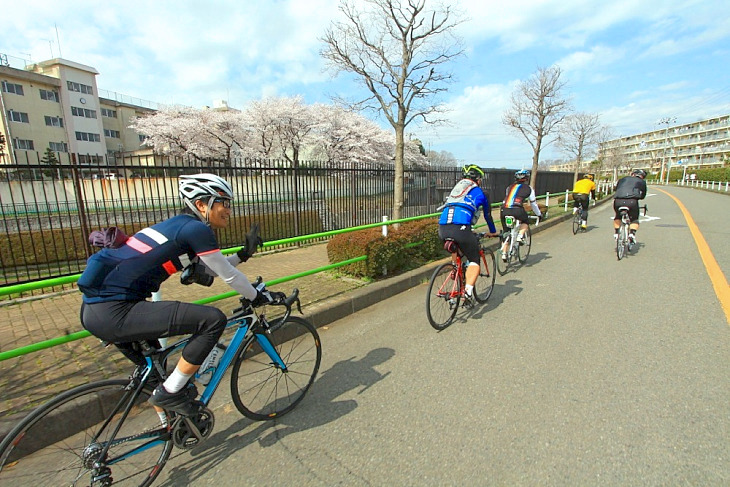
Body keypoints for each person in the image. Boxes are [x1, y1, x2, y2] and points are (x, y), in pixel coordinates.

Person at [78, 173, 276, 417]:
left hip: (95, 311)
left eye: (229, 204)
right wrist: (257, 296)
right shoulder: (195, 229)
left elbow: (211, 269)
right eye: (223, 202)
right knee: (212, 320)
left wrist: (244, 254)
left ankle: (169, 427)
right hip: (116, 311)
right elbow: (229, 276)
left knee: (157, 373)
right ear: (202, 204)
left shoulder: (178, 226)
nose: (228, 210)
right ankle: (170, 393)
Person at [438, 165, 499, 303]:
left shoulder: (457, 189)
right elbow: (488, 215)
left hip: (442, 228)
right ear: (478, 179)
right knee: (474, 260)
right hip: (461, 227)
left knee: (458, 248)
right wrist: (493, 232)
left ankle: (455, 268)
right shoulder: (480, 192)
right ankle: (467, 292)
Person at [500, 170, 543, 260]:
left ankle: (504, 253)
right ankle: (520, 236)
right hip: (517, 210)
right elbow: (533, 204)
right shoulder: (529, 188)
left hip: (504, 210)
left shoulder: (509, 187)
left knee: (506, 232)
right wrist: (538, 214)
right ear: (527, 178)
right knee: (525, 221)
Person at [613, 168, 647, 244]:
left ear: (633, 174)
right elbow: (643, 195)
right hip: (632, 201)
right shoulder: (642, 182)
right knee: (634, 219)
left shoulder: (623, 179)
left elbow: (616, 189)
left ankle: (616, 233)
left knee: (618, 216)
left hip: (618, 200)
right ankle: (632, 234)